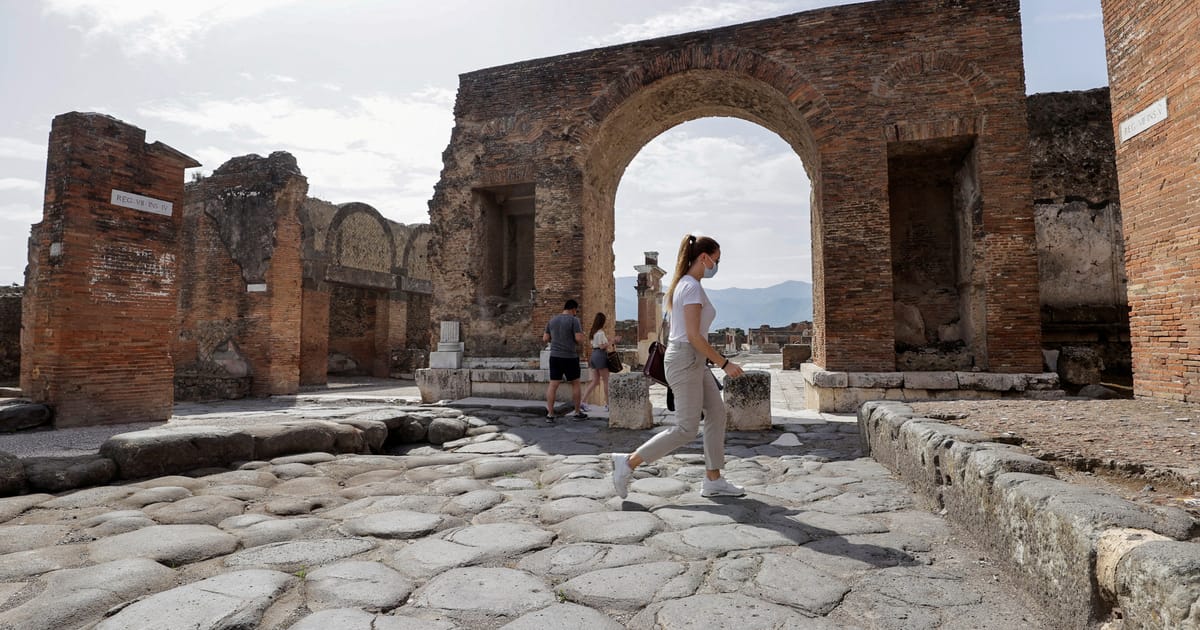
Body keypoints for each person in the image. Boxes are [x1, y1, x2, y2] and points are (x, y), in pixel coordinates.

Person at [611, 234, 746, 498]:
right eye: (716, 260)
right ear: (704, 257)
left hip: (693, 359)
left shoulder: (687, 284)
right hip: (686, 358)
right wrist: (724, 363)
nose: (717, 266)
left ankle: (713, 480)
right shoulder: (691, 287)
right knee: (686, 428)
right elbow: (693, 336)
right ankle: (627, 463)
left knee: (716, 413)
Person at [543, 299, 587, 422]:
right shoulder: (574, 320)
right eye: (576, 311)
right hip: (570, 356)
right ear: (573, 309)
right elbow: (578, 338)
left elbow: (545, 338)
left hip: (555, 356)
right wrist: (582, 337)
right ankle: (577, 412)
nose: (576, 313)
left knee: (553, 385)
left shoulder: (552, 320)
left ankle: (550, 414)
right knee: (575, 383)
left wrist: (556, 340)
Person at [581, 312, 620, 412]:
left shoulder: (593, 333)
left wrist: (610, 340)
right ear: (602, 322)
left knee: (595, 381)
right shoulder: (601, 333)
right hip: (600, 355)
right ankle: (608, 404)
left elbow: (597, 344)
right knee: (606, 381)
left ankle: (583, 401)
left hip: (593, 355)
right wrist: (612, 341)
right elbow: (602, 346)